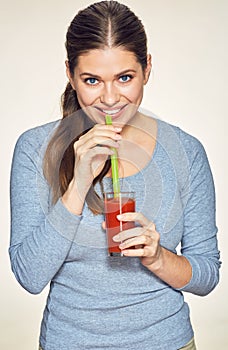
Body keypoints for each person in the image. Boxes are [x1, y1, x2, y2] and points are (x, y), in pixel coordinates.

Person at [9, 1, 221, 349]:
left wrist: (158, 256)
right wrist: (78, 184)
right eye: (92, 80)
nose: (109, 99)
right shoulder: (35, 148)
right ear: (70, 74)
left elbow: (206, 275)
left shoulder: (185, 150)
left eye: (125, 78)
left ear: (147, 68)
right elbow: (30, 276)